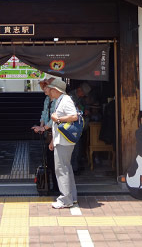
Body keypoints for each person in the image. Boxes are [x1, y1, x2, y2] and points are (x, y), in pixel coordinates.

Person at [48, 78, 80, 209]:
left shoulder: (65, 100)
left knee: (61, 169)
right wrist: (52, 140)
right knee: (66, 168)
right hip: (61, 140)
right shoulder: (60, 100)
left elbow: (74, 116)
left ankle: (65, 200)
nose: (49, 91)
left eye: (50, 88)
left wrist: (58, 118)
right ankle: (72, 197)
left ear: (56, 90)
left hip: (64, 141)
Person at [31, 78, 59, 192]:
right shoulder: (47, 99)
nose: (44, 89)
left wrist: (43, 127)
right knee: (49, 161)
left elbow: (54, 119)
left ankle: (58, 187)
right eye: (43, 87)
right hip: (48, 133)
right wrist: (41, 127)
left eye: (45, 87)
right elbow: (44, 114)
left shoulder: (58, 101)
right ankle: (53, 185)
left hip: (56, 133)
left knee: (56, 162)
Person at [70, 82, 91, 174]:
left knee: (78, 147)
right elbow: (74, 109)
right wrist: (82, 110)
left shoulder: (80, 98)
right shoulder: (70, 96)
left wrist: (85, 109)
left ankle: (76, 166)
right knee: (75, 147)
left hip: (79, 125)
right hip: (72, 125)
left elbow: (84, 106)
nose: (83, 95)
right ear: (79, 90)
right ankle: (73, 168)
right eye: (83, 93)